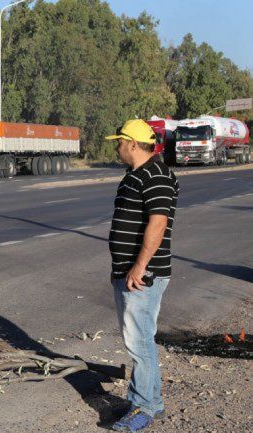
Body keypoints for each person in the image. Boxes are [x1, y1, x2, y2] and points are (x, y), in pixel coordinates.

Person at [104, 119, 179, 432]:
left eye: (119, 142)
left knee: (139, 342)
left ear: (133, 143)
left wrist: (139, 266)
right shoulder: (133, 175)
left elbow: (158, 224)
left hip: (143, 274)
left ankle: (143, 407)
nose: (117, 148)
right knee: (140, 339)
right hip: (127, 271)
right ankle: (153, 401)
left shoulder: (156, 175)